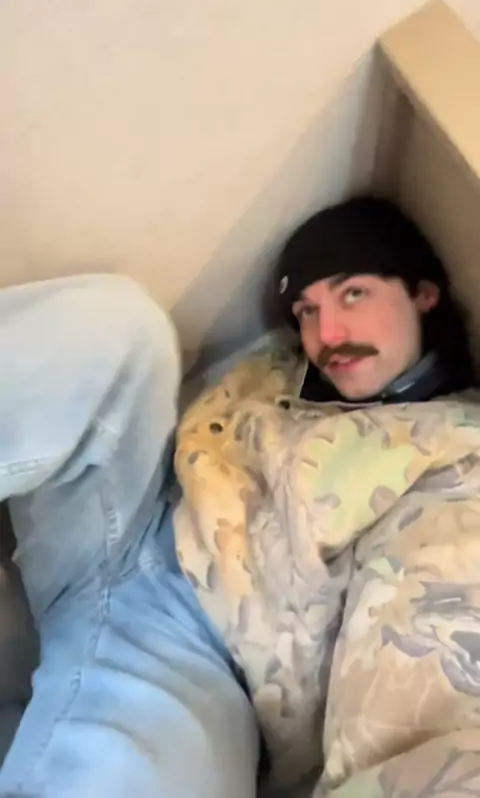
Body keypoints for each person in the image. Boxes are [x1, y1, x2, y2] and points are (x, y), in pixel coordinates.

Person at [1, 195, 479, 798]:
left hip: (202, 643)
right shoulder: (284, 369)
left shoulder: (451, 453)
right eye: (307, 310)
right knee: (120, 331)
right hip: (132, 512)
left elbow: (422, 643)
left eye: (353, 293)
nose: (326, 334)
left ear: (423, 293)